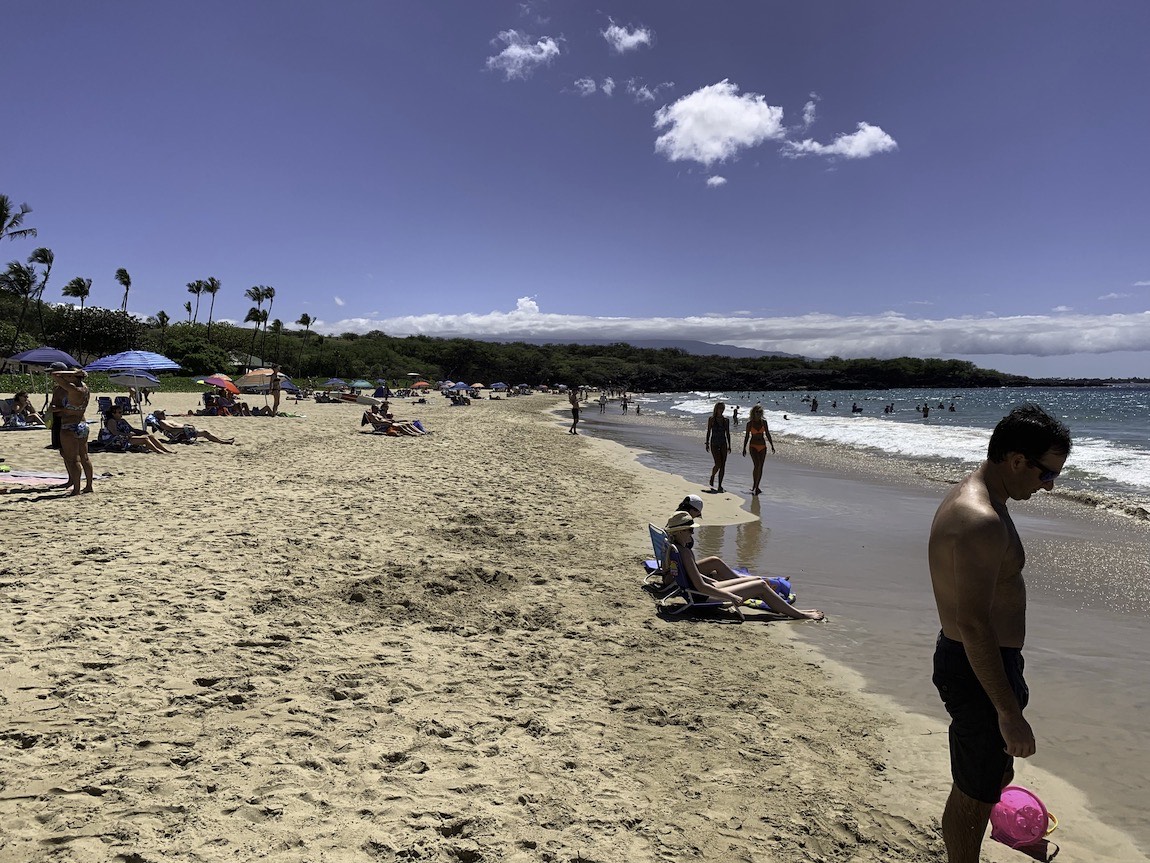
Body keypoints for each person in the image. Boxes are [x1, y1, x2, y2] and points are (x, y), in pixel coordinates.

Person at [928, 404, 1071, 863]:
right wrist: (1008, 712)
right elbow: (973, 623)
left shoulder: (983, 501)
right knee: (976, 792)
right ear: (1015, 461)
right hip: (978, 668)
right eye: (1046, 473)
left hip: (976, 662)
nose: (1048, 486)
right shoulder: (981, 520)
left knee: (983, 782)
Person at [664, 511, 824, 621]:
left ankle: (784, 607)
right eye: (689, 530)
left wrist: (712, 582)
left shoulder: (676, 549)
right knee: (760, 585)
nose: (692, 533)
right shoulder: (684, 552)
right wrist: (731, 597)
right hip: (702, 597)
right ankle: (801, 615)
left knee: (752, 580)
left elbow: (693, 578)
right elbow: (700, 586)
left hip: (696, 592)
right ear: (679, 532)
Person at [49, 366, 94, 495]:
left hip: (70, 426)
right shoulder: (85, 388)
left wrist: (72, 373)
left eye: (70, 376)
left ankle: (76, 489)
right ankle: (89, 485)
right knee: (85, 457)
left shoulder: (73, 389)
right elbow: (75, 408)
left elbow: (55, 374)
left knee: (73, 460)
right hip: (82, 424)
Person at [100, 405, 174, 454]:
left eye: (121, 412)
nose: (121, 414)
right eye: (119, 412)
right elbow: (114, 432)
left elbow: (132, 429)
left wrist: (141, 431)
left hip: (127, 437)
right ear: (113, 413)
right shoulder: (111, 421)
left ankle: (165, 450)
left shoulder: (122, 420)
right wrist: (127, 434)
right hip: (117, 440)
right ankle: (158, 451)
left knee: (150, 436)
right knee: (145, 439)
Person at [741, 404, 776, 495]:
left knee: (761, 466)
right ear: (753, 413)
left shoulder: (764, 422)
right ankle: (754, 485)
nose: (759, 414)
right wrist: (744, 447)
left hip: (763, 446)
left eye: (760, 412)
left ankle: (757, 486)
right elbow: (747, 436)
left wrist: (772, 445)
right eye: (757, 412)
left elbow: (767, 434)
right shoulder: (750, 423)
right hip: (753, 446)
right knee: (757, 465)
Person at [147, 410, 235, 444]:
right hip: (182, 433)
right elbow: (171, 429)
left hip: (185, 431)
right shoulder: (162, 422)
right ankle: (223, 441)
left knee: (205, 433)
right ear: (158, 416)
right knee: (205, 433)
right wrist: (185, 428)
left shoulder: (165, 420)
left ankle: (224, 440)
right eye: (162, 413)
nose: (164, 414)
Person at [704, 401, 731, 492]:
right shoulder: (711, 419)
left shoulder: (726, 420)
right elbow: (708, 431)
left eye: (722, 408)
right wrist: (707, 443)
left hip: (723, 443)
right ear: (716, 409)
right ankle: (712, 476)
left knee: (723, 465)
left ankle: (720, 485)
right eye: (719, 408)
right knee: (718, 464)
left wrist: (729, 445)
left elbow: (728, 433)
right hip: (714, 443)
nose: (721, 410)